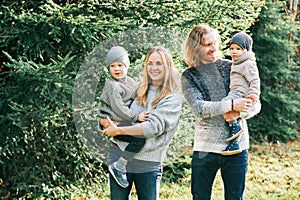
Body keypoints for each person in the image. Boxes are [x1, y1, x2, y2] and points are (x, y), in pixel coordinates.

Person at [181, 24, 261, 200]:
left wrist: (241, 112)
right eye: (207, 45)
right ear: (195, 47)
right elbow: (199, 108)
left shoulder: (232, 66)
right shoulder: (189, 76)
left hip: (237, 148)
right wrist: (232, 105)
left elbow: (256, 103)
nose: (214, 48)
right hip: (205, 149)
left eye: (215, 43)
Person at [100, 46, 182, 200]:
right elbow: (116, 109)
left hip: (148, 162)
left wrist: (118, 131)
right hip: (119, 153)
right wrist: (104, 121)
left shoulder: (172, 97)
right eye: (150, 63)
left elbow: (151, 127)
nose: (154, 68)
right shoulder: (138, 88)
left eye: (159, 63)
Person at [98, 46, 150, 188]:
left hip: (122, 121)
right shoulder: (112, 85)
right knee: (139, 138)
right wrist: (136, 116)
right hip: (112, 121)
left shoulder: (130, 82)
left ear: (127, 65)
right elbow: (118, 108)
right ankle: (119, 166)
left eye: (120, 65)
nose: (116, 69)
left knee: (139, 136)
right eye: (112, 66)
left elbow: (136, 95)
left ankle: (123, 164)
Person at [220, 32, 261, 155]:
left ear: (246, 50)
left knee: (224, 104)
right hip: (235, 92)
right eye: (232, 48)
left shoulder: (247, 63)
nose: (233, 51)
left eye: (238, 49)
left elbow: (254, 80)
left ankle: (235, 128)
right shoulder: (236, 62)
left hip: (240, 93)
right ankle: (234, 143)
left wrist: (253, 94)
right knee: (229, 113)